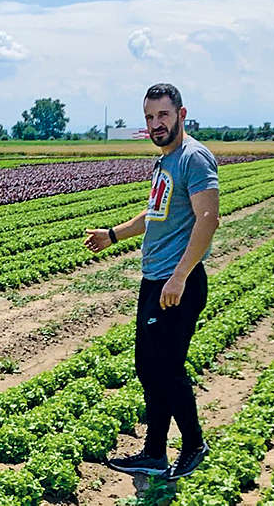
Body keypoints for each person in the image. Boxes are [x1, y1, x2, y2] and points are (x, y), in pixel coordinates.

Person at [83, 83, 219, 480]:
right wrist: (113, 235)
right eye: (149, 118)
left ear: (181, 114)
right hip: (156, 280)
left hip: (176, 284)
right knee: (148, 366)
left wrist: (179, 276)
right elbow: (153, 215)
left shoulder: (193, 158)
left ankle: (193, 444)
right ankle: (154, 453)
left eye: (162, 115)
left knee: (167, 368)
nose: (156, 124)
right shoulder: (166, 161)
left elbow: (208, 220)